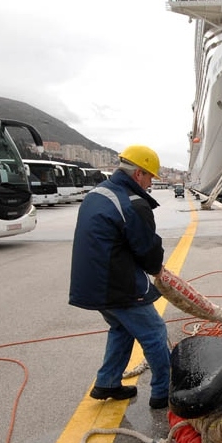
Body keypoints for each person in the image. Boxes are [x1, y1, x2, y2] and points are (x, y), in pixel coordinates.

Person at [68, 144, 171, 409]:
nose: (150, 184)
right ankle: (164, 392)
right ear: (138, 174)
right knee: (154, 332)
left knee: (121, 328)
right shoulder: (133, 203)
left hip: (91, 283)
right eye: (149, 177)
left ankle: (108, 382)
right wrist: (158, 270)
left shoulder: (97, 194)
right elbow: (147, 250)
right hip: (115, 284)